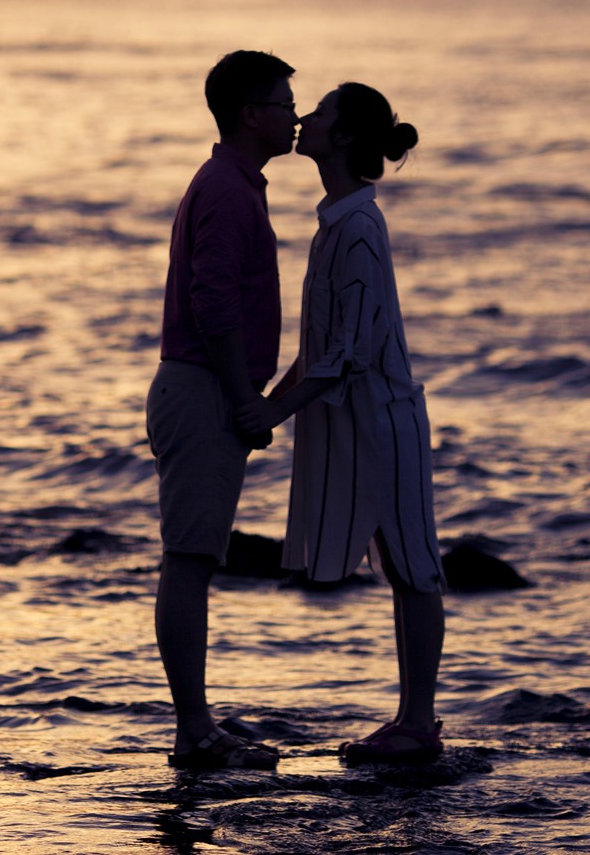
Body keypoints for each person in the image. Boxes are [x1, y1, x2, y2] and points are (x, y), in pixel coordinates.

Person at [254, 82, 447, 765]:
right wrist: (270, 404)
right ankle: (411, 719)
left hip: (382, 423)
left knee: (413, 565)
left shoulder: (358, 229)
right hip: (359, 423)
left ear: (341, 137)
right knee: (403, 564)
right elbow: (322, 347)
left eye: (321, 113)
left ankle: (418, 724)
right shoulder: (339, 220)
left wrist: (272, 410)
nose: (305, 118)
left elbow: (348, 354)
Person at [146, 49, 298, 770]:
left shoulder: (234, 184)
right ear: (249, 113)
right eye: (283, 105)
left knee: (194, 556)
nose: (293, 117)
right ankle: (195, 729)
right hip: (205, 388)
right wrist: (245, 398)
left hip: (204, 386)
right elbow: (212, 303)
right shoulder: (230, 190)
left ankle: (197, 724)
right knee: (188, 559)